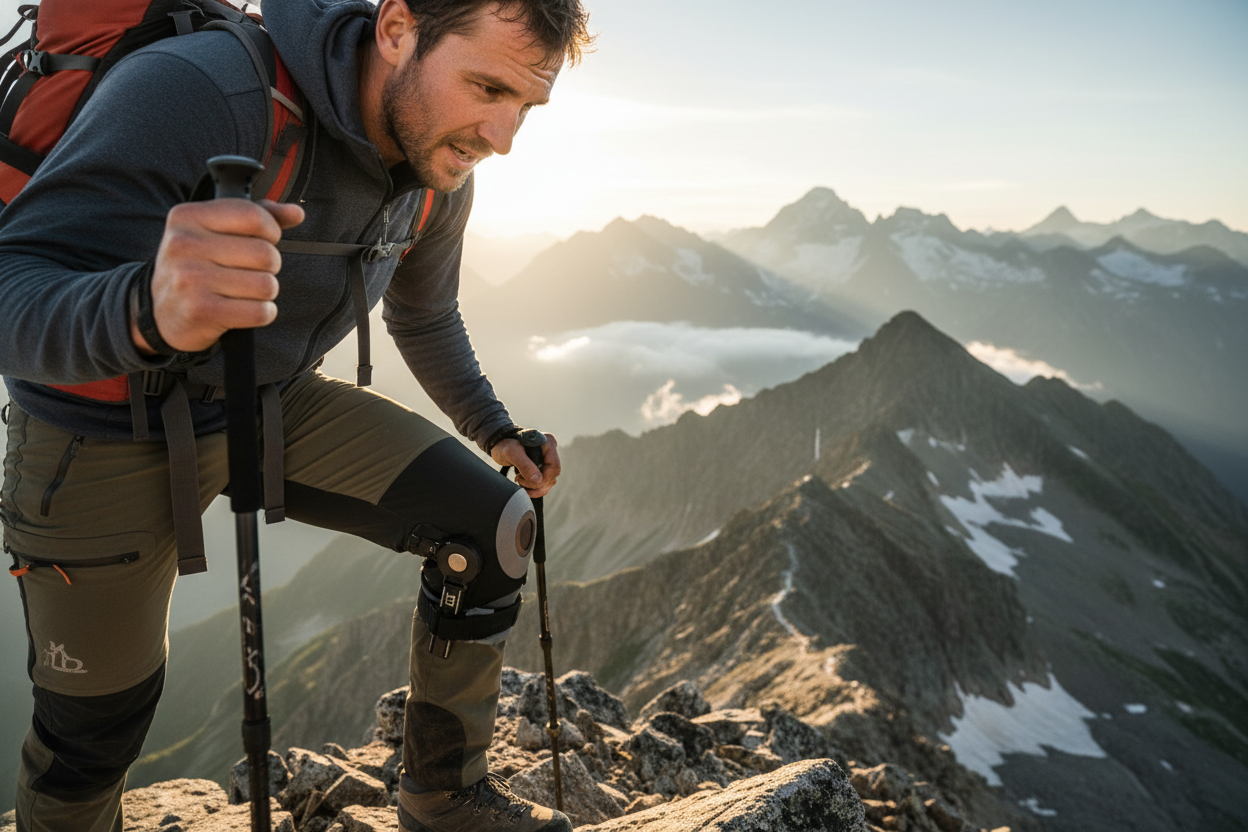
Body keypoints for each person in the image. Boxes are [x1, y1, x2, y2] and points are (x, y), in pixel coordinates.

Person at [0, 0, 592, 829]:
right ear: (396, 29)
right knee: (92, 734)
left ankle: (441, 799)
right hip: (97, 431)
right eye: (487, 86)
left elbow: (423, 317)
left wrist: (494, 429)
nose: (502, 136)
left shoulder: (436, 165)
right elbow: (12, 279)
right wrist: (145, 308)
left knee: (492, 528)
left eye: (524, 106)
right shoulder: (201, 91)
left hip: (268, 401)